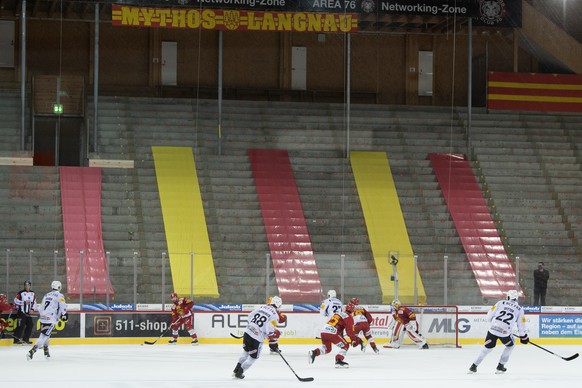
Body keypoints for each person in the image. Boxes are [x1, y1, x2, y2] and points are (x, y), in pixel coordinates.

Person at [468, 290, 529, 374]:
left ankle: (473, 366)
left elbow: (488, 317)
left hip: (492, 330)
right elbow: (521, 325)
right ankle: (500, 366)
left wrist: (495, 324)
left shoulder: (500, 303)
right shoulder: (519, 309)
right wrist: (523, 336)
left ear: (508, 297)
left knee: (486, 349)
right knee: (510, 346)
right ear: (516, 298)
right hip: (504, 333)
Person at [232, 296, 285, 379]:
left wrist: (252, 327)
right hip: (256, 338)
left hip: (248, 333)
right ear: (279, 305)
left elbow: (250, 316)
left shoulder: (262, 307)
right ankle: (240, 372)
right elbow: (269, 328)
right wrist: (271, 337)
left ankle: (236, 370)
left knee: (245, 352)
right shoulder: (275, 315)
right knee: (253, 357)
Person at [308, 302, 360, 368]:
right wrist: (353, 339)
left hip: (324, 331)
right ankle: (339, 360)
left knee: (327, 349)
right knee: (345, 345)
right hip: (332, 332)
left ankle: (314, 352)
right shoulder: (348, 317)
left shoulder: (338, 314)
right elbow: (350, 331)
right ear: (352, 311)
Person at [26, 281, 68, 360]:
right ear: (59, 287)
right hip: (51, 318)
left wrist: (37, 311)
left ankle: (46, 350)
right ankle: (32, 351)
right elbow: (63, 305)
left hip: (43, 317)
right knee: (44, 336)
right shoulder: (60, 295)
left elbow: (41, 306)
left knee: (47, 334)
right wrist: (64, 314)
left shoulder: (46, 295)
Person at [13, 280, 37, 344]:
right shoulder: (21, 293)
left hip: (28, 313)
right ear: (24, 286)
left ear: (30, 286)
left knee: (30, 325)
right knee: (21, 326)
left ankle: (25, 339)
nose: (27, 286)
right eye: (26, 285)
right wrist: (23, 302)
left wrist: (32, 309)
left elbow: (34, 302)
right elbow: (15, 300)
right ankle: (16, 340)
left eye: (28, 285)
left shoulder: (33, 293)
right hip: (22, 312)